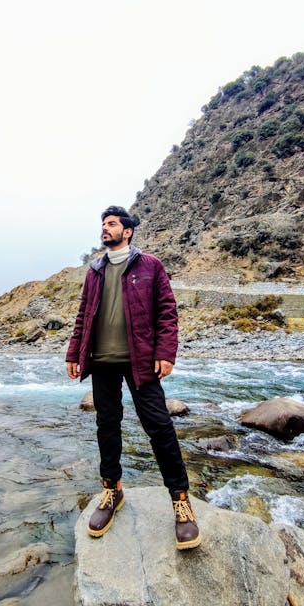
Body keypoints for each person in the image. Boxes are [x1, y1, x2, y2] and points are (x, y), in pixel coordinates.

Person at [66, 206, 200, 550]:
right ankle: (112, 490)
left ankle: (180, 500)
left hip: (140, 361)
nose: (104, 229)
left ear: (127, 231)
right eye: (102, 224)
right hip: (102, 361)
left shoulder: (150, 265)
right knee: (106, 426)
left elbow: (167, 312)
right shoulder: (94, 271)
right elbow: (83, 314)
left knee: (159, 426)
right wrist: (73, 353)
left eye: (111, 224)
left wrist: (166, 353)